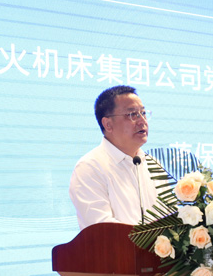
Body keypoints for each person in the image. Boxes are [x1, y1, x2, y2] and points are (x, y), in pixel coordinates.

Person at [69, 85, 165, 229]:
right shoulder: (89, 167)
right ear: (108, 124)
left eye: (143, 113)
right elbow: (102, 229)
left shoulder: (153, 164)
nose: (142, 121)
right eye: (132, 114)